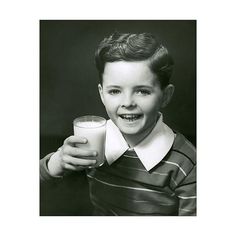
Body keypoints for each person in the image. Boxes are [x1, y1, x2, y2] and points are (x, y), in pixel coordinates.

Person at [40, 32, 196, 216]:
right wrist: (57, 162)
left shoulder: (187, 165)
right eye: (115, 91)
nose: (128, 103)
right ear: (102, 94)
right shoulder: (93, 140)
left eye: (143, 91)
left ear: (165, 96)